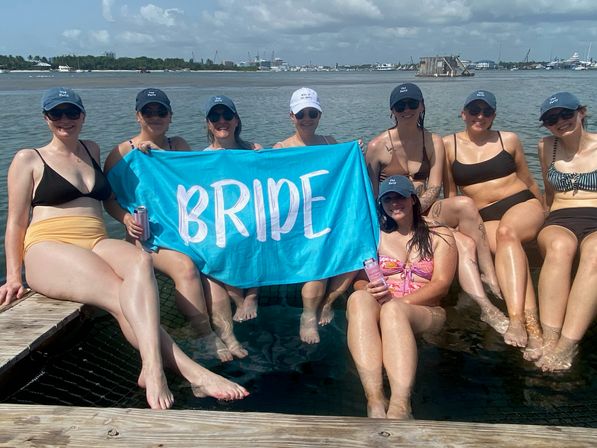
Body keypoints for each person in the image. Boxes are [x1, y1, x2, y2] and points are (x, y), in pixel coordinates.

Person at [0, 87, 249, 409]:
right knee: (119, 295)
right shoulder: (28, 158)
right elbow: (16, 222)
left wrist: (146, 158)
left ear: (82, 116)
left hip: (96, 240)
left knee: (140, 263)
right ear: (46, 118)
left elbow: (118, 195)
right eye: (56, 114)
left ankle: (154, 365)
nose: (65, 120)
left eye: (71, 113)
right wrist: (13, 275)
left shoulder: (91, 149)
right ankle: (175, 370)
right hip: (49, 244)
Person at [103, 88, 240, 362]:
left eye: (160, 111)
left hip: (184, 232)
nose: (155, 117)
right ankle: (205, 335)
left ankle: (227, 332)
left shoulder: (178, 146)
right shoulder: (121, 152)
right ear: (138, 116)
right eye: (148, 112)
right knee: (186, 268)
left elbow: (198, 185)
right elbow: (109, 199)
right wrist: (126, 219)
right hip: (150, 237)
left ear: (170, 116)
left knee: (212, 267)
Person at [366, 83, 508, 335]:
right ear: (392, 111)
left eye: (412, 104)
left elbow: (434, 185)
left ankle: (491, 278)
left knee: (465, 204)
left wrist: (418, 212)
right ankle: (485, 306)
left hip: (425, 208)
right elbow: (373, 194)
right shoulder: (377, 146)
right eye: (400, 106)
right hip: (395, 210)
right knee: (463, 244)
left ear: (422, 106)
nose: (407, 110)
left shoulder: (432, 141)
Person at [443, 89, 545, 359]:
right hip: (485, 215)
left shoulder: (508, 139)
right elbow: (451, 193)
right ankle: (531, 328)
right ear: (463, 113)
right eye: (474, 111)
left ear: (494, 115)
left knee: (507, 233)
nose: (480, 116)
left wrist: (547, 210)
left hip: (522, 203)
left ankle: (520, 323)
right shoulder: (447, 145)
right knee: (503, 245)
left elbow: (529, 180)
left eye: (487, 111)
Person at [347, 175, 457, 419]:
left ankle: (400, 405)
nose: (395, 203)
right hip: (385, 303)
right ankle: (375, 399)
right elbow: (360, 280)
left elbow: (441, 285)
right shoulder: (376, 235)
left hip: (425, 311)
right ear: (381, 204)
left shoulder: (439, 234)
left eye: (400, 197)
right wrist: (367, 289)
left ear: (414, 200)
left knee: (392, 311)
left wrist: (398, 303)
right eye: (388, 199)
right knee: (358, 300)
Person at [273, 87, 355, 344]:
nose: (307, 118)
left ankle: (327, 302)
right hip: (296, 223)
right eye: (301, 114)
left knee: (359, 245)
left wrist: (356, 153)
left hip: (326, 217)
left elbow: (346, 175)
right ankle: (309, 315)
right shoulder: (280, 148)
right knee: (316, 258)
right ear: (291, 116)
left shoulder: (331, 143)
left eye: (312, 113)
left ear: (319, 114)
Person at [535, 91, 597, 371]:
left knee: (595, 252)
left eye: (566, 114)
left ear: (581, 112)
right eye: (551, 119)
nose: (560, 122)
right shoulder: (546, 147)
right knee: (560, 248)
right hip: (560, 216)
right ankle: (549, 338)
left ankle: (567, 343)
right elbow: (548, 194)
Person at [203, 94, 261, 325]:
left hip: (251, 214)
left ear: (236, 120)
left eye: (227, 115)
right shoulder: (202, 158)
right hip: (219, 218)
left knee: (260, 231)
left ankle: (253, 296)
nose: (221, 120)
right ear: (208, 123)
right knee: (221, 239)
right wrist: (147, 152)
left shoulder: (254, 150)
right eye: (215, 117)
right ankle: (238, 298)